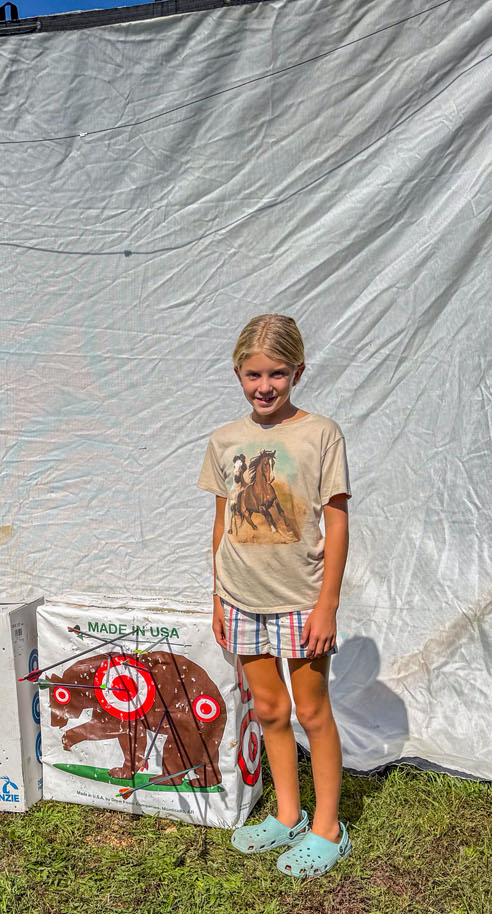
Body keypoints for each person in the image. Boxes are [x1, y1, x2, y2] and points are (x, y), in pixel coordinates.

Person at [196, 314, 352, 877]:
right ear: (238, 373)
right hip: (241, 597)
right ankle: (288, 814)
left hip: (301, 600)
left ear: (298, 373)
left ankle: (328, 829)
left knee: (311, 709)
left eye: (277, 374)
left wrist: (327, 604)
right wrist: (218, 596)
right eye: (254, 374)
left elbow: (337, 523)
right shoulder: (224, 440)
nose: (265, 386)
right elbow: (221, 524)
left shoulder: (321, 434)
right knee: (268, 708)